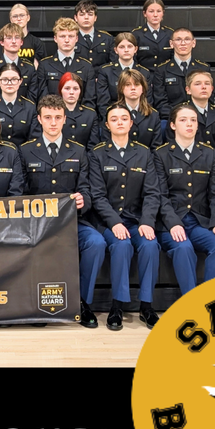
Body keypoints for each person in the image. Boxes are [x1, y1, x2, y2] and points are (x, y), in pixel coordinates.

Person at [20, 94, 104, 328]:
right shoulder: (26, 151)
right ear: (39, 119)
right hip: (37, 225)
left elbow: (87, 191)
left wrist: (82, 200)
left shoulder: (78, 151)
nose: (53, 122)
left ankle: (83, 303)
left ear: (65, 119)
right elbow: (20, 192)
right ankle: (36, 304)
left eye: (58, 117)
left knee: (96, 243)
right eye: (48, 117)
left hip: (72, 223)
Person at [88, 103, 164, 330]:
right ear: (107, 124)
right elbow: (98, 196)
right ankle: (117, 306)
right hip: (108, 221)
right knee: (121, 245)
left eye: (124, 118)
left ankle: (147, 306)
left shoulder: (144, 153)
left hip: (137, 220)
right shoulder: (97, 154)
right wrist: (115, 223)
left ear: (131, 123)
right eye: (114, 119)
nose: (119, 122)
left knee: (150, 245)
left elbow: (152, 193)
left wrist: (147, 222)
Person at [153, 102, 215, 295]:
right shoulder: (161, 154)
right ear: (172, 125)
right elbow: (160, 195)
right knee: (184, 248)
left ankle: (211, 299)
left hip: (199, 222)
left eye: (193, 120)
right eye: (183, 120)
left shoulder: (209, 153)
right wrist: (173, 223)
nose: (189, 124)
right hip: (170, 222)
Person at [150, 27, 211, 126]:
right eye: (178, 40)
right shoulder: (161, 70)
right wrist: (179, 118)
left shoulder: (203, 68)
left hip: (198, 119)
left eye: (187, 39)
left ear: (193, 43)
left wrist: (194, 118)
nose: (183, 43)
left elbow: (208, 99)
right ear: (171, 43)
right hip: (172, 119)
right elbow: (161, 102)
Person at [32, 18, 96, 105]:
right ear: (55, 38)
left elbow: (89, 100)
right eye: (62, 36)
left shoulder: (86, 66)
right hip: (53, 114)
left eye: (71, 36)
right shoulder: (45, 65)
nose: (66, 40)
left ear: (77, 38)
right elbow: (43, 98)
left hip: (79, 116)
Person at [30, 71, 99, 148]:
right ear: (61, 90)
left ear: (80, 91)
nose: (71, 92)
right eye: (67, 88)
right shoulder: (50, 112)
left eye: (75, 89)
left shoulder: (90, 115)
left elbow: (93, 146)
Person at [0, 63, 37, 147]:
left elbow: (33, 139)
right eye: (5, 79)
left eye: (14, 79)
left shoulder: (30, 107)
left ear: (21, 81)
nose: (9, 83)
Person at [96, 32, 147, 119]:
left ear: (136, 49)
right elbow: (103, 103)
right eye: (122, 47)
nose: (126, 50)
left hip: (140, 119)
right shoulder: (105, 71)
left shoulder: (144, 72)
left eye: (130, 46)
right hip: (114, 118)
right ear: (116, 50)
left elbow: (146, 100)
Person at [0, 23, 38, 99]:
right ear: (1, 42)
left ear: (21, 42)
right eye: (9, 38)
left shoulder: (29, 67)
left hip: (23, 109)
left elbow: (32, 97)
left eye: (17, 37)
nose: (13, 41)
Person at [182, 70, 215, 153]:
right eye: (198, 84)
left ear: (212, 89)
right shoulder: (180, 113)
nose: (203, 87)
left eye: (207, 83)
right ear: (188, 90)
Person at [132, 0, 173, 70]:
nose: (155, 15)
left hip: (164, 77)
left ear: (163, 13)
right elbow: (133, 60)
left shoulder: (170, 34)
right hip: (143, 77)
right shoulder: (136, 34)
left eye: (158, 11)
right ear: (144, 13)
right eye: (151, 11)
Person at [72, 0, 114, 68]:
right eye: (82, 14)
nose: (86, 17)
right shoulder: (70, 38)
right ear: (75, 18)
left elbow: (112, 64)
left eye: (90, 14)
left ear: (95, 18)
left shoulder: (107, 39)